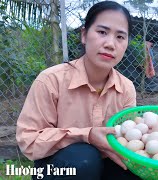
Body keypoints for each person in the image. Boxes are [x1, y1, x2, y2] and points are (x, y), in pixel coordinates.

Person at [16, 1, 140, 179]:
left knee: (132, 169)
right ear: (84, 35)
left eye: (120, 37)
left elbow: (128, 138)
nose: (110, 44)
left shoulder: (126, 88)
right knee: (85, 159)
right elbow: (28, 140)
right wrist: (86, 135)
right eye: (102, 32)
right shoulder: (51, 80)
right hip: (57, 166)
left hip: (104, 164)